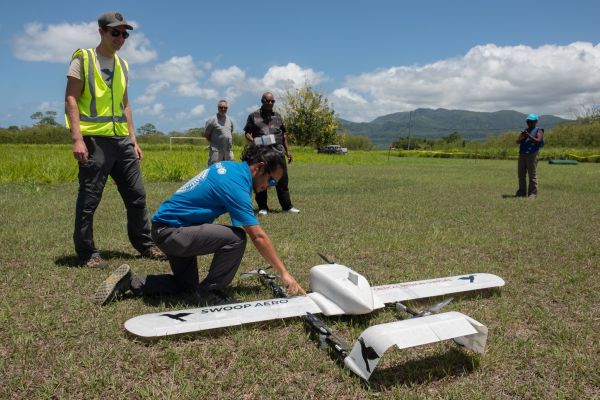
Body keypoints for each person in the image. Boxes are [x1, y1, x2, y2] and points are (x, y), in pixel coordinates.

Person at [93, 144, 306, 306]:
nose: (269, 187)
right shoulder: (236, 184)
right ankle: (210, 292)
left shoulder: (230, 168)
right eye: (271, 181)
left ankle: (132, 283)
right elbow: (258, 236)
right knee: (236, 238)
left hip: (168, 229)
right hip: (172, 232)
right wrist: (285, 274)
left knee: (185, 285)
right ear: (259, 168)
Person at [64, 11, 165, 268]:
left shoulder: (123, 65)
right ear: (101, 31)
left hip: (122, 141)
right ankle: (87, 253)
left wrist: (134, 139)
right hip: (95, 140)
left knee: (137, 196)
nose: (121, 38)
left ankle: (144, 244)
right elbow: (71, 99)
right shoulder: (83, 59)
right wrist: (77, 139)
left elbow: (126, 105)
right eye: (115, 32)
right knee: (89, 199)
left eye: (125, 33)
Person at [244, 92, 300, 215]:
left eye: (272, 101)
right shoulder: (253, 116)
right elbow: (247, 132)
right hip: (262, 154)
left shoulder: (278, 116)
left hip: (278, 153)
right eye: (267, 101)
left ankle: (287, 207)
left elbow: (284, 134)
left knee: (283, 180)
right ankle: (263, 207)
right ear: (262, 101)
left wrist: (288, 151)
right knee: (261, 180)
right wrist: (254, 141)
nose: (270, 103)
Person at [516, 113, 544, 198]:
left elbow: (538, 141)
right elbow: (517, 141)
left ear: (536, 122)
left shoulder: (539, 130)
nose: (529, 123)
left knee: (532, 175)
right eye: (528, 121)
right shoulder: (525, 130)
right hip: (522, 154)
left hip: (532, 154)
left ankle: (532, 194)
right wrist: (523, 137)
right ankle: (521, 192)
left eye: (531, 121)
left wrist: (528, 136)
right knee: (521, 175)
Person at [204, 100, 235, 166]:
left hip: (228, 151)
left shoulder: (230, 120)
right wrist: (214, 142)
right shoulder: (212, 120)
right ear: (218, 108)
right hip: (216, 151)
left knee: (229, 168)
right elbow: (206, 134)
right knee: (215, 168)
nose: (223, 109)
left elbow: (230, 132)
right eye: (221, 107)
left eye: (225, 108)